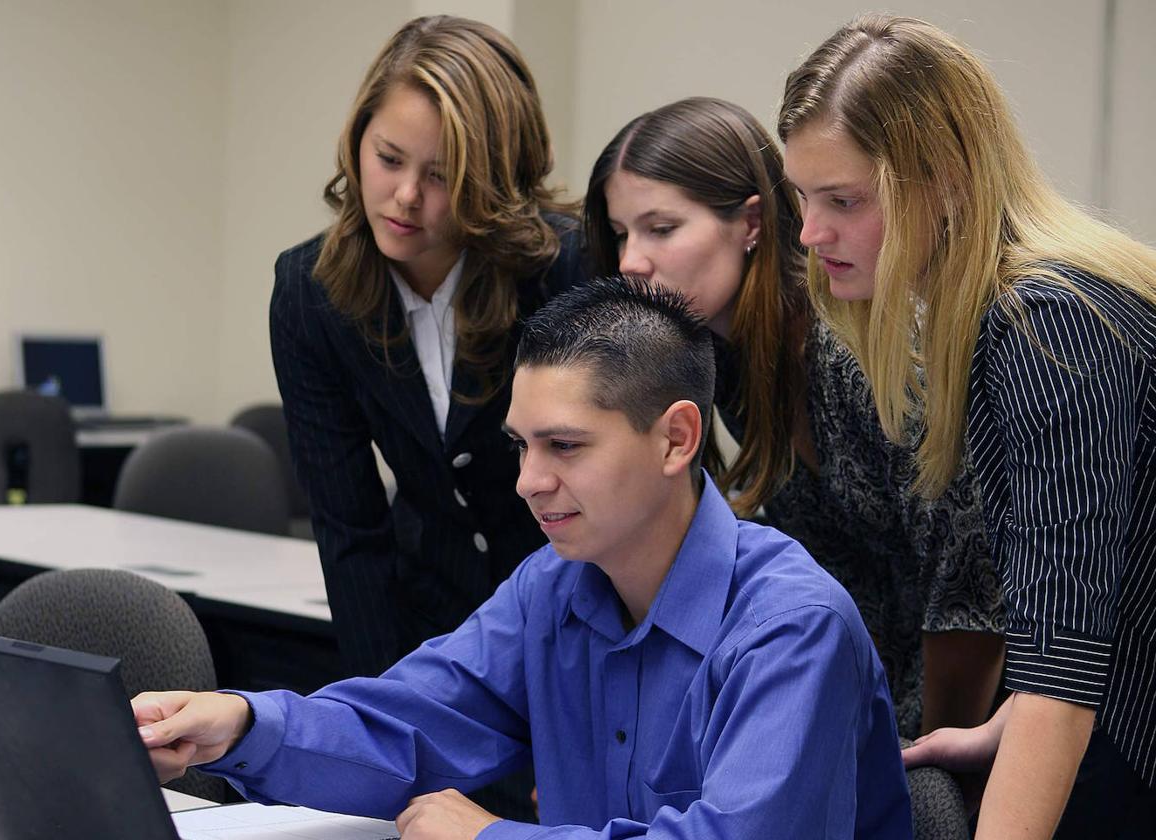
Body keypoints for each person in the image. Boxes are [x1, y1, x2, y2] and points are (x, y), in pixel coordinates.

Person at [133, 278, 912, 839]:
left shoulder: (791, 629)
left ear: (677, 438)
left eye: (564, 447)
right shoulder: (556, 585)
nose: (529, 482)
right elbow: (405, 727)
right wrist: (239, 723)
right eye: (523, 446)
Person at [777, 14, 1156, 837]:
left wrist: (1028, 720)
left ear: (943, 179)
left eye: (842, 200)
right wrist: (1003, 726)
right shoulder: (1005, 315)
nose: (810, 233)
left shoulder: (1048, 326)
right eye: (803, 199)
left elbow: (1065, 664)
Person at [582, 96, 1004, 740]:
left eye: (660, 229)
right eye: (620, 233)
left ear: (750, 223)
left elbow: (968, 585)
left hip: (997, 712)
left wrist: (928, 767)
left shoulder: (844, 343)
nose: (631, 261)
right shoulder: (728, 360)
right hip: (882, 701)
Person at [269, 15, 586, 683]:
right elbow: (349, 531)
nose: (406, 197)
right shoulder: (310, 294)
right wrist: (386, 724)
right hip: (427, 629)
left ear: (493, 180)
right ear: (357, 139)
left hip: (577, 628)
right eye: (388, 159)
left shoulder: (567, 270)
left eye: (441, 176)